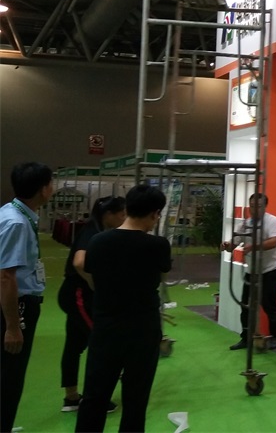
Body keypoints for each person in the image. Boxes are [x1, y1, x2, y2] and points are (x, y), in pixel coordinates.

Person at [75, 184, 172, 433]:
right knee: (135, 400)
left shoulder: (98, 241)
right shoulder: (158, 245)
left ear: (127, 209)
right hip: (143, 330)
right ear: (155, 214)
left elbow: (89, 273)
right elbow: (162, 274)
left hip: (106, 328)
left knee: (94, 397)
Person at [58, 195, 126, 412]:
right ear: (108, 214)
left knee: (74, 345)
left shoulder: (101, 231)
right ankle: (96, 399)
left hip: (75, 295)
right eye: (122, 214)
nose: (124, 218)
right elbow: (79, 262)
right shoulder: (92, 232)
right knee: (102, 343)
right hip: (78, 295)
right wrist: (93, 282)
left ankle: (71, 398)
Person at [0, 162, 53, 433]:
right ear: (43, 189)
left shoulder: (11, 213)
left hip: (15, 303)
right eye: (51, 184)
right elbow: (6, 276)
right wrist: (12, 326)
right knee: (10, 378)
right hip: (16, 307)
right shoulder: (17, 223)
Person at [221, 193, 276, 351]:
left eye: (258, 206)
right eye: (252, 206)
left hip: (272, 269)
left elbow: (273, 242)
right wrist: (227, 245)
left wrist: (253, 247)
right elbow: (234, 243)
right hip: (253, 271)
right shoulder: (246, 223)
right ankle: (246, 338)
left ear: (265, 206)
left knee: (268, 304)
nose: (254, 209)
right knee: (245, 305)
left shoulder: (273, 221)